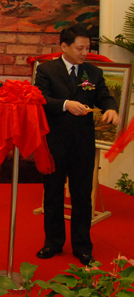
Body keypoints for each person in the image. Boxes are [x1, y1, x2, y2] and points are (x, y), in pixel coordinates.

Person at [34, 24, 120, 266]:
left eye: (87, 48)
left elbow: (104, 96)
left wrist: (111, 108)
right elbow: (40, 99)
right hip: (55, 142)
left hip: (83, 144)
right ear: (64, 46)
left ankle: (82, 247)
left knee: (82, 197)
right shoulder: (47, 70)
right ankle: (53, 242)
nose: (84, 53)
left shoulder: (93, 73)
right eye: (80, 48)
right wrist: (65, 104)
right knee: (53, 194)